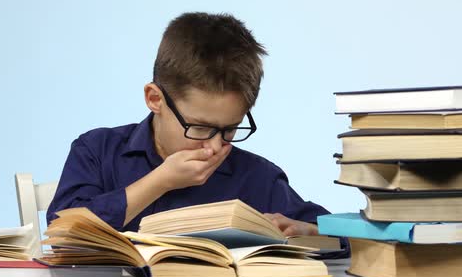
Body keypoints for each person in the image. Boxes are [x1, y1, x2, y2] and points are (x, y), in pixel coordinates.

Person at [47, 12, 330, 236]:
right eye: (200, 127)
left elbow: (348, 238)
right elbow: (62, 230)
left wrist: (311, 231)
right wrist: (158, 182)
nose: (214, 146)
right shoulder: (97, 150)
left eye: (230, 129)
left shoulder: (256, 176)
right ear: (155, 99)